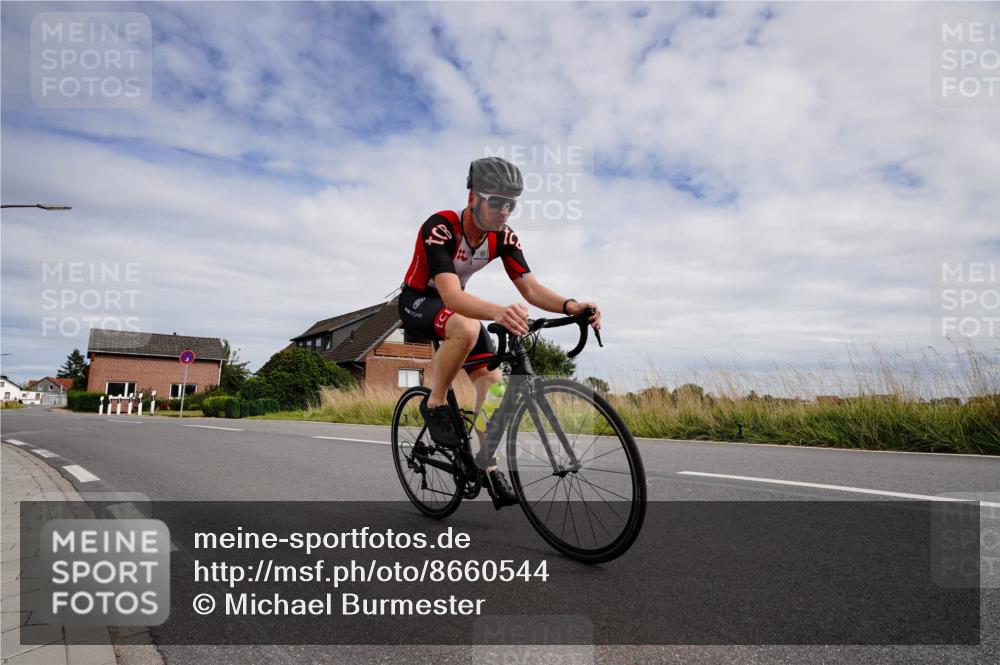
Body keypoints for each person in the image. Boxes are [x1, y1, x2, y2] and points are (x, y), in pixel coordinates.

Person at [398, 156, 601, 507]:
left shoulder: (503, 237)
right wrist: (497, 312)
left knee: (494, 387)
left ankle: (487, 466)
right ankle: (435, 403)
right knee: (466, 325)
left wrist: (571, 305)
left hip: (455, 309)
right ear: (472, 198)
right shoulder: (441, 227)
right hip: (419, 301)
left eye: (511, 204)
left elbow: (531, 288)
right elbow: (451, 296)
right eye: (496, 201)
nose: (504, 211)